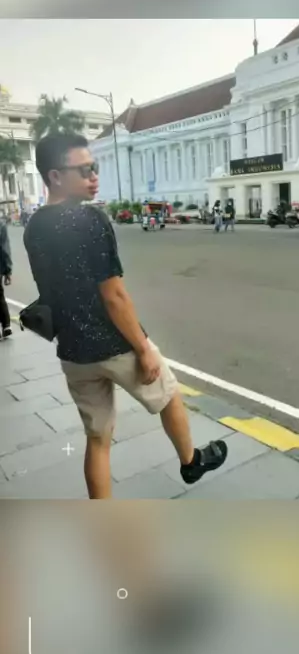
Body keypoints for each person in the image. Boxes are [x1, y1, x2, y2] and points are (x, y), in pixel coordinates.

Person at [24, 133, 228, 499]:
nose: (94, 176)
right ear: (55, 176)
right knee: (169, 394)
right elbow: (114, 296)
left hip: (72, 352)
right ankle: (191, 461)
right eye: (84, 169)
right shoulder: (91, 219)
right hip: (114, 344)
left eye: (95, 167)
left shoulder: (34, 226)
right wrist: (143, 348)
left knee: (97, 439)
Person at [0, 216, 12, 339]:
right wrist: (8, 270)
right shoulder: (1, 225)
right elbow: (4, 249)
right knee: (0, 295)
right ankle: (6, 325)